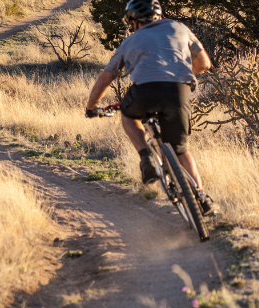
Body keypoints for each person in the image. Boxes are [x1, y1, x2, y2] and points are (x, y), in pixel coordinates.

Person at [84, 0, 215, 215]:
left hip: (145, 92)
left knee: (128, 115)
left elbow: (104, 79)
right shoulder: (180, 28)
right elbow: (204, 64)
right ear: (160, 16)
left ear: (134, 23)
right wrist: (179, 72)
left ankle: (145, 157)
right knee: (180, 149)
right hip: (179, 93)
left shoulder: (130, 41)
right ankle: (201, 197)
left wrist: (92, 107)